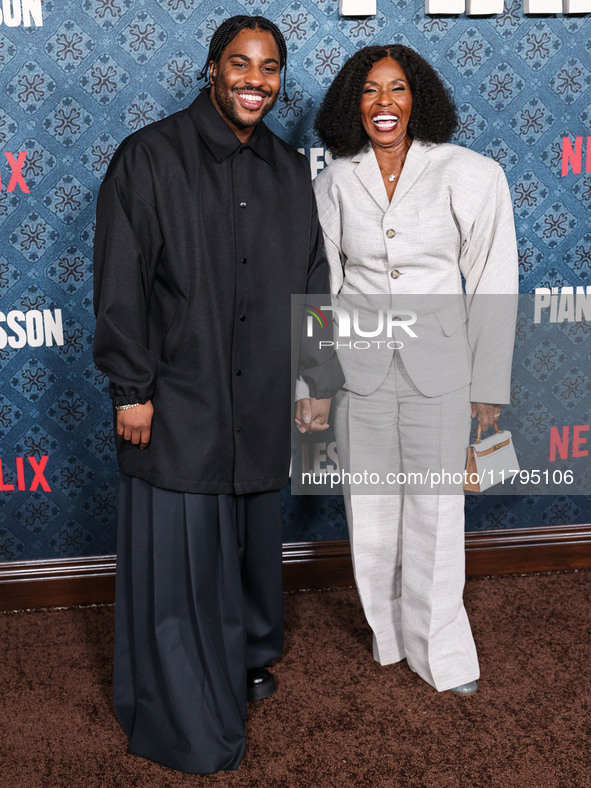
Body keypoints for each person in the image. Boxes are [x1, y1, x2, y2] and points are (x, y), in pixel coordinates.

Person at [93, 15, 342, 774]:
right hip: (180, 398)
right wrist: (130, 387)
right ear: (211, 69)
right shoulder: (148, 157)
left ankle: (244, 653)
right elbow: (120, 283)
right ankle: (182, 690)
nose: (255, 81)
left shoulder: (287, 169)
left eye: (269, 69)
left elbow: (314, 284)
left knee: (249, 542)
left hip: (263, 396)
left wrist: (316, 380)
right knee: (182, 553)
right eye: (241, 64)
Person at [310, 45, 518, 695]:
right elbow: (322, 287)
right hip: (359, 371)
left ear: (416, 97)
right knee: (368, 516)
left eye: (396, 89)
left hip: (440, 371)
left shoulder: (470, 173)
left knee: (435, 515)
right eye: (369, 91)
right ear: (354, 103)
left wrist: (487, 390)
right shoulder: (333, 180)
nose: (383, 103)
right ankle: (390, 638)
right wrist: (312, 380)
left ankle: (444, 654)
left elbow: (492, 282)